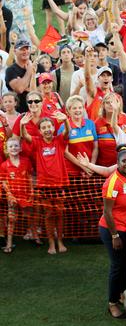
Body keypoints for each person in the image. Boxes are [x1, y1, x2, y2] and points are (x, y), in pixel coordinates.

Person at [20, 109, 70, 255]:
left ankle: (60, 241)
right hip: (44, 185)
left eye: (49, 127)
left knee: (60, 213)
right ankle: (51, 243)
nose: (47, 130)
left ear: (54, 128)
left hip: (59, 184)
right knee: (48, 214)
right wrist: (23, 125)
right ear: (40, 131)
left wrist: (65, 120)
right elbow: (25, 136)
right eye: (44, 128)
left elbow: (67, 131)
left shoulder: (59, 140)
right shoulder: (37, 142)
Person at [98, 145, 126, 319]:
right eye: (124, 161)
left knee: (124, 265)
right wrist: (115, 235)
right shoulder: (112, 182)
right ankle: (112, 304)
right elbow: (107, 212)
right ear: (117, 163)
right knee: (117, 266)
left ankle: (122, 294)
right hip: (113, 230)